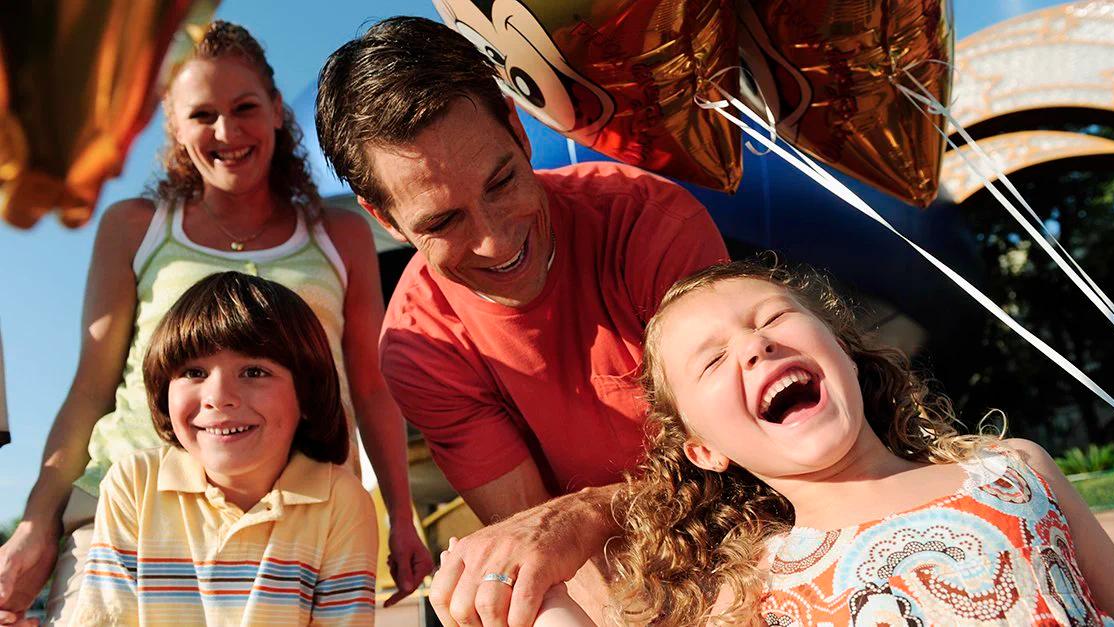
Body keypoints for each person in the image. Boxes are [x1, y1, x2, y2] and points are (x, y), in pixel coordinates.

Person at [0, 22, 429, 627]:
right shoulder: (136, 226)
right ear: (173, 126)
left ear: (278, 111)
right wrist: (35, 525)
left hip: (297, 522)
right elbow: (90, 389)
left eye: (245, 107)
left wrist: (403, 520)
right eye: (202, 114)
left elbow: (370, 386)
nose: (227, 131)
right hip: (128, 513)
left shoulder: (340, 235)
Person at [314, 15, 728, 626]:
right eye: (443, 222)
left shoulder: (652, 227)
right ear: (386, 221)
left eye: (502, 181)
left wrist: (582, 515)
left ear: (518, 127)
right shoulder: (421, 345)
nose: (493, 240)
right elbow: (542, 551)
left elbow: (744, 468)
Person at [606, 260, 1114, 626]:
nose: (755, 345)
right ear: (704, 450)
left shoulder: (1016, 467)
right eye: (712, 361)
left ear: (845, 352)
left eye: (774, 317)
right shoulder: (748, 594)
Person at [74, 272, 377, 625]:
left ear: (307, 394)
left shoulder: (342, 501)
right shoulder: (133, 484)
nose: (218, 398)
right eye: (193, 372)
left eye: (253, 372)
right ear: (161, 391)